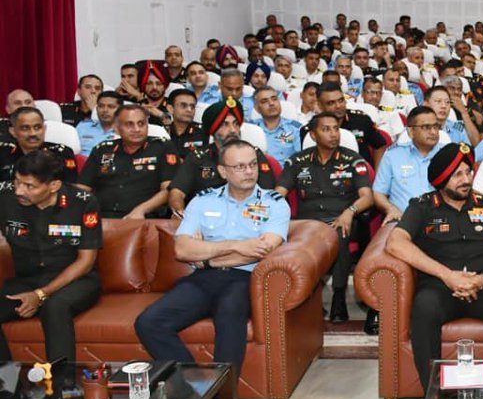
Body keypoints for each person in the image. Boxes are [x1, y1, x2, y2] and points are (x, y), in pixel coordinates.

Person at [135, 140, 290, 372]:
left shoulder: (275, 204)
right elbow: (183, 250)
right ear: (222, 171)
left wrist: (207, 254)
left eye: (252, 164)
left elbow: (261, 250)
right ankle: (194, 386)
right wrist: (237, 246)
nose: (249, 171)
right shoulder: (202, 200)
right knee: (149, 322)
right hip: (203, 278)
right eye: (239, 167)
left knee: (229, 314)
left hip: (245, 279)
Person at [386, 143, 483, 390]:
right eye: (457, 174)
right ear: (441, 179)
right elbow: (395, 243)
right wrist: (448, 275)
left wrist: (481, 280)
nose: (466, 179)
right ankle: (433, 394)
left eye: (468, 172)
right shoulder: (421, 206)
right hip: (440, 288)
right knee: (424, 307)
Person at [0, 150, 102, 366]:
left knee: (54, 307)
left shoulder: (82, 202)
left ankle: (63, 389)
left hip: (75, 280)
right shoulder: (5, 196)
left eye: (29, 186)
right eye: (17, 182)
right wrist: (34, 292)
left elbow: (85, 261)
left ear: (53, 186)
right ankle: (6, 385)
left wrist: (40, 294)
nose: (19, 191)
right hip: (26, 279)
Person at [276, 112, 373, 324]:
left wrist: (349, 212)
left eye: (336, 128)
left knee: (340, 232)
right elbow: (279, 193)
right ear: (313, 134)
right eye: (326, 129)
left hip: (341, 219)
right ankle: (309, 299)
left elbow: (367, 197)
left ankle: (338, 295)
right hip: (307, 224)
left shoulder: (353, 160)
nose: (333, 134)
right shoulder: (297, 162)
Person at [169, 98, 276, 214]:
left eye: (236, 124)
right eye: (225, 124)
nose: (233, 130)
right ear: (213, 130)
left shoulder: (254, 154)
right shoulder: (198, 157)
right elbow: (177, 192)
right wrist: (179, 211)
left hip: (246, 217)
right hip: (204, 218)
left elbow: (267, 194)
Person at [78, 105, 177, 219]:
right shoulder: (102, 150)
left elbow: (169, 190)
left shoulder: (162, 148)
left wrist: (141, 210)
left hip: (145, 218)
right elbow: (83, 188)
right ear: (116, 127)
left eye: (141, 124)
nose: (136, 129)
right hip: (102, 218)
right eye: (129, 124)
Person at [372, 105, 448, 223]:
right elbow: (378, 193)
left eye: (436, 126)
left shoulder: (448, 154)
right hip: (403, 221)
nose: (433, 132)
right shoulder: (393, 155)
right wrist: (390, 209)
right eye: (426, 127)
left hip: (442, 222)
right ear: (410, 131)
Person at [312, 83, 388, 161]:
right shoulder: (313, 129)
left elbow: (380, 145)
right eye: (331, 103)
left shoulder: (362, 120)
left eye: (341, 100)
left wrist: (376, 172)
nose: (338, 106)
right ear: (319, 105)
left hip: (361, 169)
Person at [0, 107, 78, 183]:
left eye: (37, 127)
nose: (33, 133)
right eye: (25, 128)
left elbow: (70, 189)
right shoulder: (3, 154)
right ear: (13, 131)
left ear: (44, 129)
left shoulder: (62, 153)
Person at [251, 87, 303, 163]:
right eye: (264, 101)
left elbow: (301, 158)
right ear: (257, 108)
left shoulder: (295, 129)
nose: (271, 103)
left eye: (274, 99)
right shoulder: (252, 129)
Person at [163, 89, 207, 157]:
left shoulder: (203, 134)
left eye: (192, 106)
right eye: (183, 106)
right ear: (170, 108)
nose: (189, 110)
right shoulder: (162, 133)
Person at [77, 91, 122, 156]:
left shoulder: (125, 131)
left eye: (111, 106)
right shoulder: (83, 126)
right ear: (96, 108)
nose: (105, 110)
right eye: (101, 106)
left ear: (121, 109)